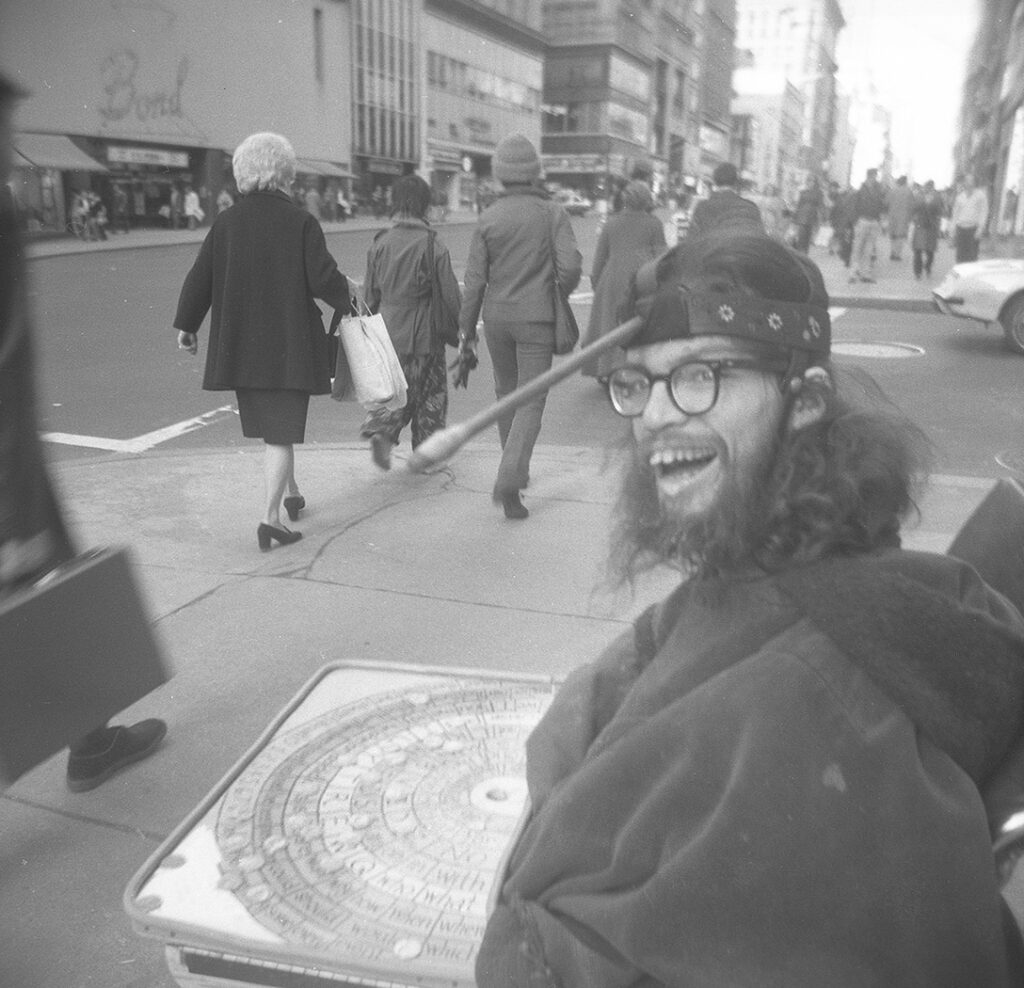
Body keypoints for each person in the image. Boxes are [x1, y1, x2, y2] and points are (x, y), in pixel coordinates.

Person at [475, 229, 1024, 987]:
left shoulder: (822, 696)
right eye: (640, 383)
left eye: (701, 376)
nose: (657, 415)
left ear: (805, 402)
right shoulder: (776, 566)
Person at [0, 73, 167, 792]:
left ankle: (93, 739)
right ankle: (91, 743)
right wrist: (14, 512)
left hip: (15, 471)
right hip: (9, 478)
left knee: (56, 604)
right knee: (51, 601)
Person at [173, 132, 355, 551]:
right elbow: (324, 279)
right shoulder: (301, 221)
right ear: (285, 173)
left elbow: (200, 277)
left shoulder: (227, 222)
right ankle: (270, 519)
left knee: (276, 429)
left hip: (242, 347)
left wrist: (187, 325)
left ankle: (291, 494)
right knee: (280, 435)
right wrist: (356, 299)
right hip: (288, 347)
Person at [459, 133, 582, 520]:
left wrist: (467, 332)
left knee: (506, 396)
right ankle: (510, 478)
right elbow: (572, 267)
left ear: (499, 173)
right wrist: (559, 289)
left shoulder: (488, 218)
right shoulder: (552, 213)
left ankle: (512, 475)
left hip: (496, 319)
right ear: (534, 171)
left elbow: (474, 280)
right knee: (531, 400)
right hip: (536, 318)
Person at [360, 174, 462, 470]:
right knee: (430, 394)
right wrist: (465, 329)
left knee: (393, 390)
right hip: (424, 333)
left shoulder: (380, 243)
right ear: (424, 205)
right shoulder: (432, 245)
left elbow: (369, 294)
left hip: (387, 331)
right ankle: (426, 453)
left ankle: (383, 431)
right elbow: (451, 296)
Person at [582, 179, 665, 382]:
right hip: (641, 279)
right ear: (647, 200)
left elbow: (600, 258)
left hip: (611, 279)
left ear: (625, 200)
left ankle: (607, 368)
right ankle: (635, 367)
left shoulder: (612, 223)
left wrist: (596, 283)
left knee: (609, 324)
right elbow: (661, 256)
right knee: (638, 325)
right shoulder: (654, 224)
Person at [687, 161, 765, 238]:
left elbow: (691, 240)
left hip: (711, 249)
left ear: (714, 181)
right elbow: (759, 240)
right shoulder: (750, 208)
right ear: (736, 182)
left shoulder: (703, 207)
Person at [850, 167, 887, 283]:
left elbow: (882, 205)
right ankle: (853, 273)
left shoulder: (878, 190)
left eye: (876, 176)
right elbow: (854, 207)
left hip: (874, 221)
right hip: (863, 220)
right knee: (858, 248)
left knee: (869, 250)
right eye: (874, 176)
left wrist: (880, 220)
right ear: (869, 176)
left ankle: (865, 274)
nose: (875, 179)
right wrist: (855, 222)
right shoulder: (861, 190)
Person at [951, 173, 989, 264]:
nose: (968, 182)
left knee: (972, 257)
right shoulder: (960, 197)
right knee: (960, 256)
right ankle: (961, 277)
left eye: (971, 180)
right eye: (967, 180)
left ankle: (970, 278)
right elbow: (955, 214)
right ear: (964, 182)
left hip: (973, 230)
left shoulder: (981, 196)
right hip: (961, 229)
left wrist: (980, 229)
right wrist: (952, 230)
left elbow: (984, 213)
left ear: (975, 182)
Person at [912, 179, 945, 279]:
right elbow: (914, 208)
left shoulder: (937, 198)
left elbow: (941, 211)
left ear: (932, 188)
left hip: (932, 227)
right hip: (920, 226)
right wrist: (922, 203)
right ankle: (918, 272)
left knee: (930, 251)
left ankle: (928, 267)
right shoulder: (919, 196)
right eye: (926, 187)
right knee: (918, 250)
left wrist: (933, 205)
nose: (928, 189)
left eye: (930, 187)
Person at [792, 174, 823, 253]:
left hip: (812, 215)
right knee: (801, 234)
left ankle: (805, 252)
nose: (810, 183)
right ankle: (799, 251)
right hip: (802, 214)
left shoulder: (819, 193)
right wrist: (794, 217)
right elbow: (799, 204)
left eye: (812, 181)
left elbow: (820, 205)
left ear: (815, 183)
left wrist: (821, 217)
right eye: (809, 181)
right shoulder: (803, 192)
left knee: (808, 235)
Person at [887, 174, 914, 261]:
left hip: (892, 216)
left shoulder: (893, 190)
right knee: (900, 236)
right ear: (905, 182)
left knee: (893, 235)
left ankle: (892, 252)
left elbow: (886, 202)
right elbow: (912, 205)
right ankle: (897, 254)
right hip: (903, 217)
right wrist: (910, 217)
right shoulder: (909, 192)